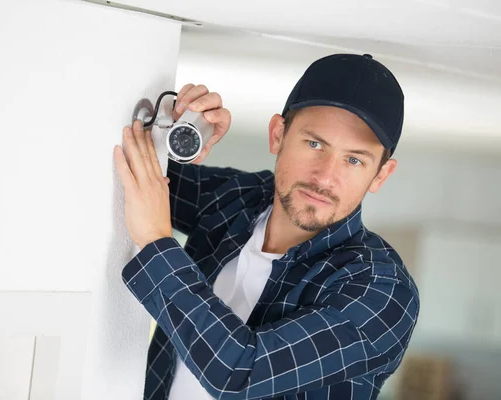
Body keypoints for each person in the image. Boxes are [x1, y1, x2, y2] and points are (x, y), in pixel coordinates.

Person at [114, 53, 420, 400]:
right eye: (314, 143)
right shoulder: (237, 200)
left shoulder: (381, 290)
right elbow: (133, 170)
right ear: (278, 134)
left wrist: (157, 242)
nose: (325, 177)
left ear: (381, 174)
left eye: (353, 160)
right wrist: (177, 128)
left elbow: (239, 371)